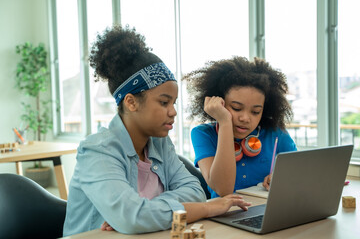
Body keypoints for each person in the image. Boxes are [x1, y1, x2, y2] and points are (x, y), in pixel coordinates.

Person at [62, 26, 251, 236]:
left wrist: (144, 211)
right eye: (163, 102)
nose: (173, 112)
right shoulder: (98, 151)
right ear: (131, 102)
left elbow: (196, 191)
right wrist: (205, 208)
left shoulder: (160, 143)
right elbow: (132, 218)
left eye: (174, 102)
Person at [183, 56, 297, 199]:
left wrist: (281, 178)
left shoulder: (276, 134)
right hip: (225, 216)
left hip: (267, 212)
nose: (245, 118)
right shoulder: (203, 134)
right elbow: (223, 190)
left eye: (255, 112)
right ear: (221, 103)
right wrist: (224, 122)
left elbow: (299, 173)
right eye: (236, 108)